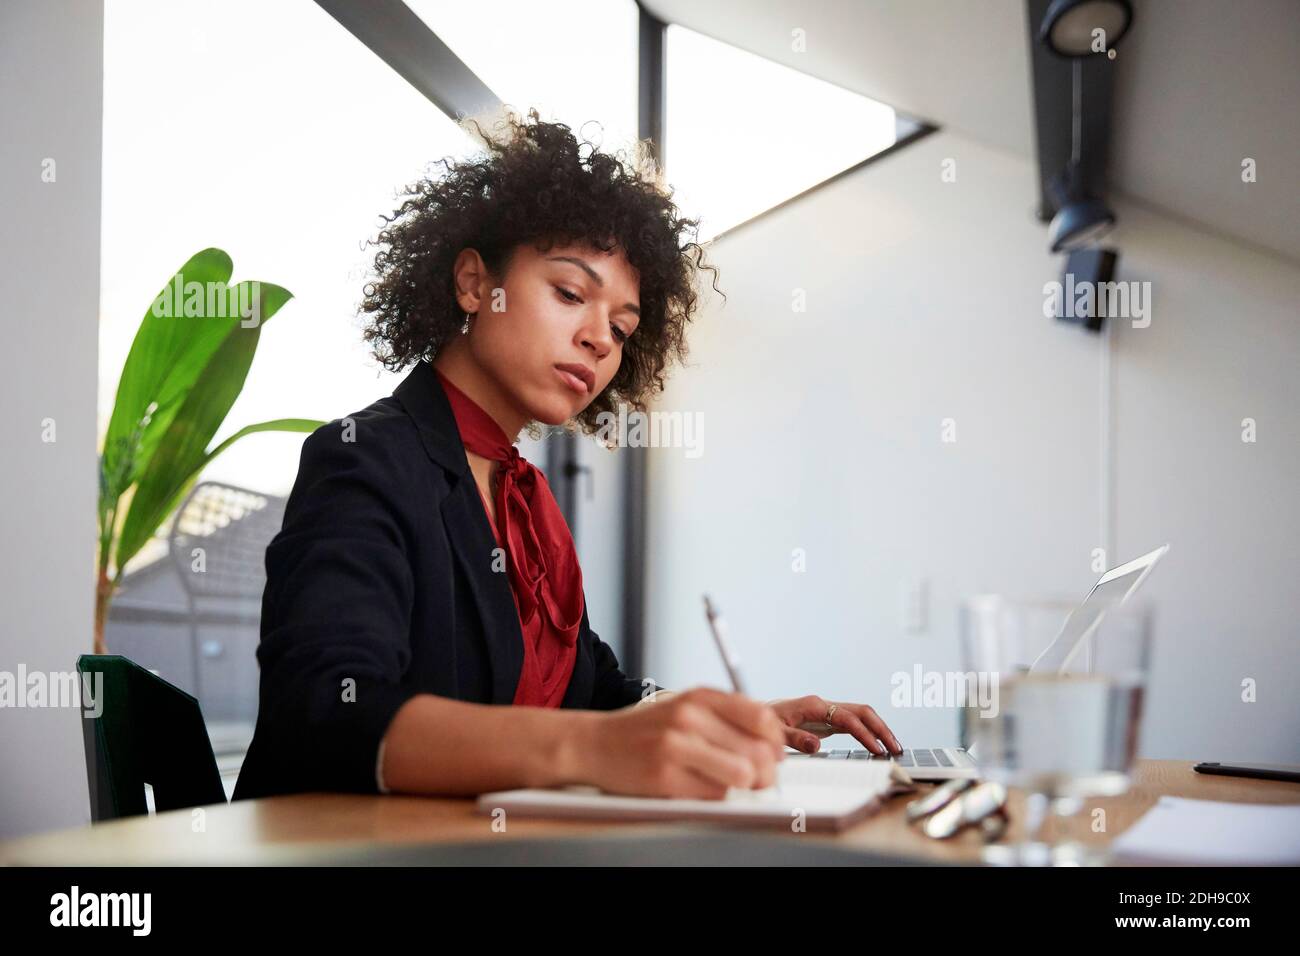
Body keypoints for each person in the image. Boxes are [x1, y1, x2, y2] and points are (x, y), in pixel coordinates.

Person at [233, 109, 901, 802]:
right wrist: (589, 747)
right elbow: (325, 710)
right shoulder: (364, 459)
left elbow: (596, 690)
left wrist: (730, 725)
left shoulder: (526, 503)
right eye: (569, 293)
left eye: (620, 326)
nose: (600, 339)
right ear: (472, 284)